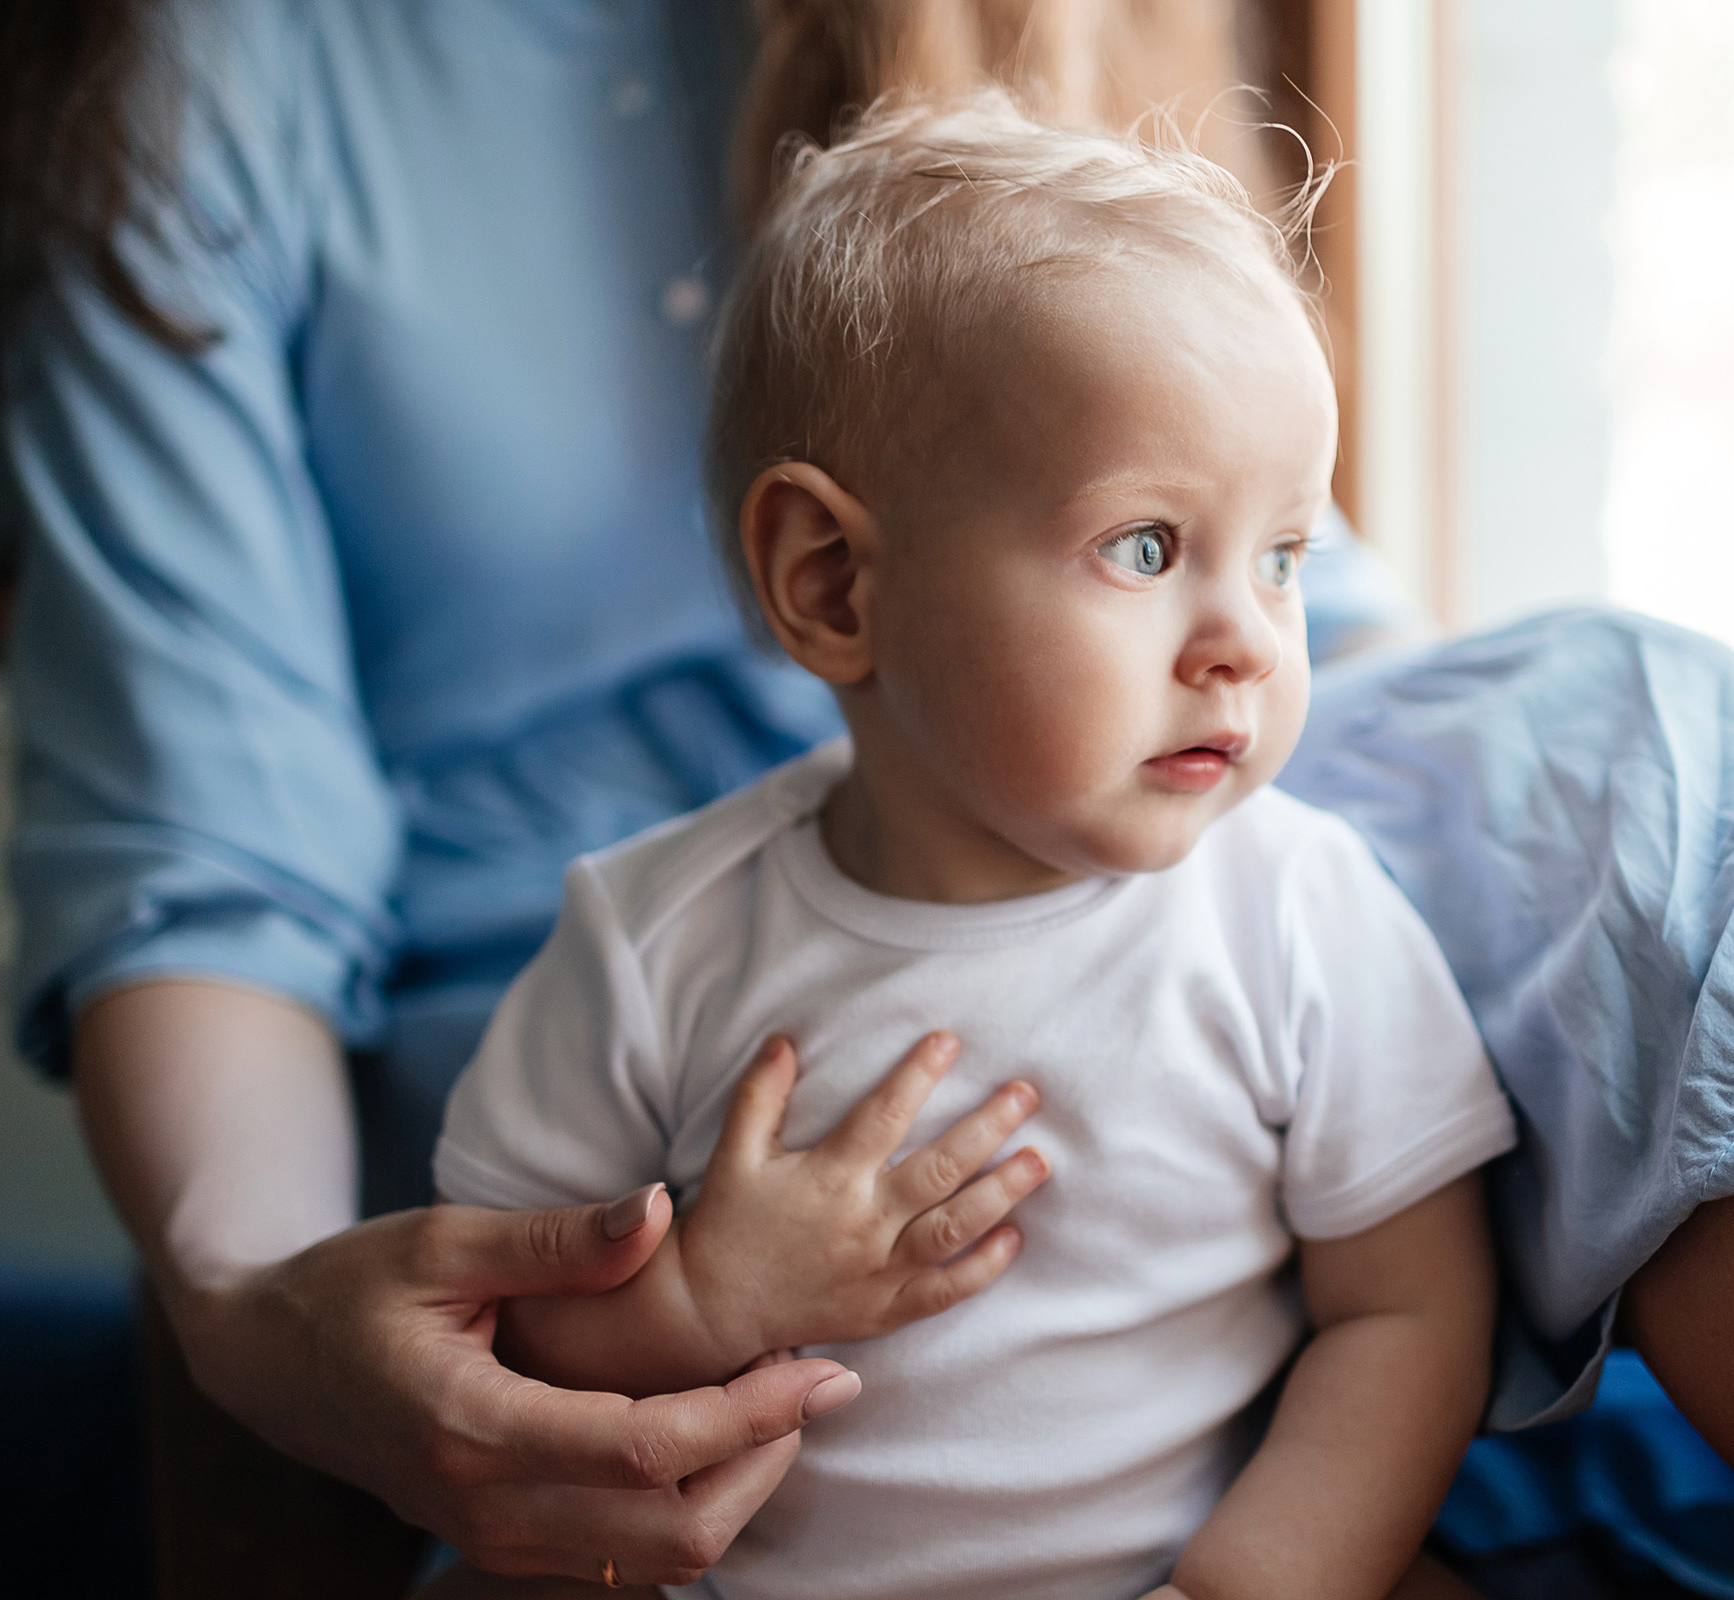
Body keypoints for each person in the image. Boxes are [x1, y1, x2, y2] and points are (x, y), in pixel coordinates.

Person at [0, 1, 1734, 1595]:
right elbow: (214, 869)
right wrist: (265, 1311)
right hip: (641, 1119)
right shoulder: (237, 89)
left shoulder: (1011, 24)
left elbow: (1300, 634)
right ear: (821, 568)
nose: (1236, 600)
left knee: (1642, 713)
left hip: (1161, 873)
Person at [433, 97, 1513, 1599]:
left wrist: (1256, 1585)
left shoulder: (1296, 910)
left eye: (1281, 559)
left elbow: (1409, 1317)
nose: (1249, 646)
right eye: (1145, 547)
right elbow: (492, 1335)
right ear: (834, 586)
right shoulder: (653, 942)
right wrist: (704, 1297)